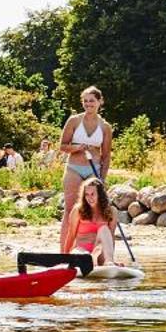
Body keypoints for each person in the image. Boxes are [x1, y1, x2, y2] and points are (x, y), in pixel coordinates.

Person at [58, 86, 111, 252]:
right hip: (74, 168)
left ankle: (96, 251)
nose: (88, 104)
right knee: (70, 210)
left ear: (100, 102)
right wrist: (77, 147)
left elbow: (106, 155)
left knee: (96, 212)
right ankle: (64, 253)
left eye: (92, 101)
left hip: (93, 170)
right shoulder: (74, 120)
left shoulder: (105, 126)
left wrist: (101, 178)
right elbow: (62, 146)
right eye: (85, 101)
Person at [72, 178, 117, 268]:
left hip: (99, 253)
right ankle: (91, 260)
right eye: (87, 195)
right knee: (85, 257)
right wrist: (65, 257)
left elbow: (110, 238)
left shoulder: (111, 211)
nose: (89, 198)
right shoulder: (78, 210)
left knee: (104, 229)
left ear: (100, 195)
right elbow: (71, 236)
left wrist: (112, 259)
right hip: (81, 250)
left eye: (93, 194)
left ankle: (109, 262)